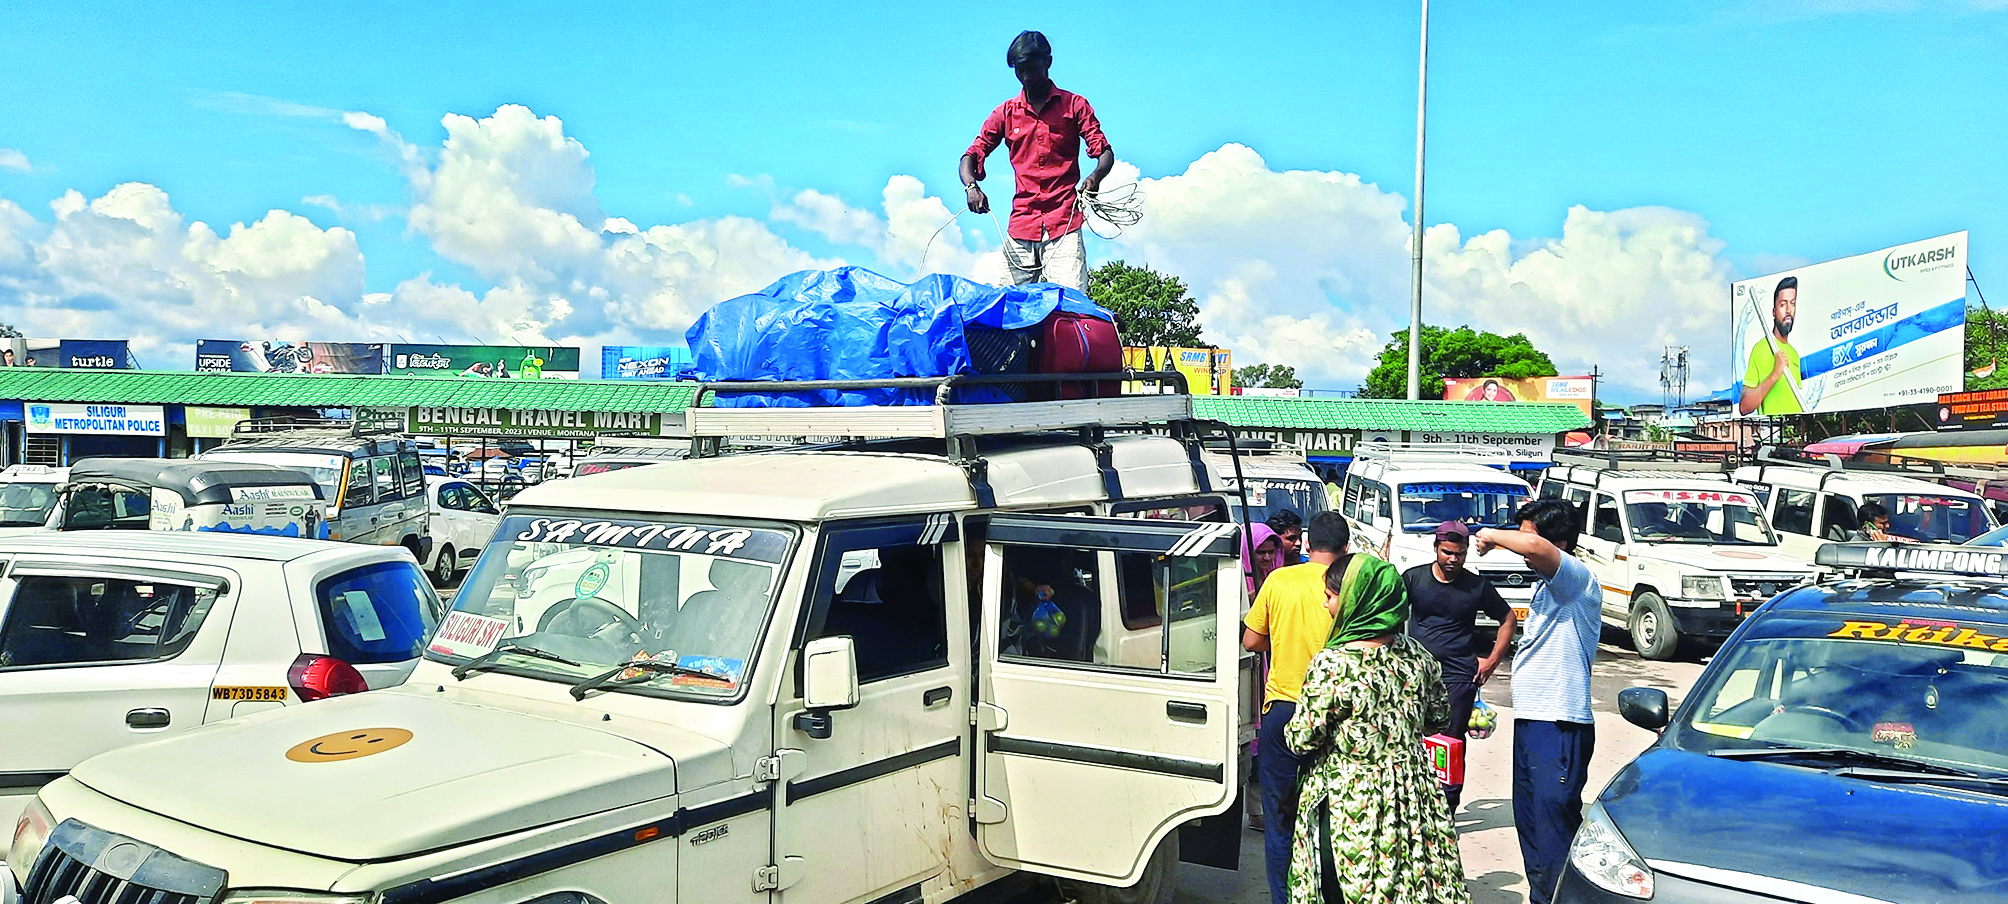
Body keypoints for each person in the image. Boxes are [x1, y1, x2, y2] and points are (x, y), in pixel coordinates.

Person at [1284, 539, 1467, 904]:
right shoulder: (1420, 656)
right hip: (1415, 798)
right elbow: (1438, 719)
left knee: (1350, 888)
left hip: (1350, 802)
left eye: (1331, 596)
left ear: (1357, 600)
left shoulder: (1334, 664)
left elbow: (1302, 739)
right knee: (1412, 886)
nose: (1326, 604)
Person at [1473, 499, 1601, 904]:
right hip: (1534, 720)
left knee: (1553, 828)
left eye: (1527, 535)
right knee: (1530, 823)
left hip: (1559, 722)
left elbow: (1538, 549)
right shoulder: (1547, 588)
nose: (1520, 546)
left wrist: (1492, 536)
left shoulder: (1577, 579)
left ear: (1559, 543)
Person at [1242, 512, 1346, 904]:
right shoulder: (1347, 585)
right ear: (1345, 549)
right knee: (1333, 815)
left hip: (1284, 709)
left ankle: (1284, 898)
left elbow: (1251, 642)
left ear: (1305, 544)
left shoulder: (1279, 581)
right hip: (1335, 710)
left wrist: (1283, 644)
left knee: (1280, 815)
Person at [960, 30, 1114, 291]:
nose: (1027, 77)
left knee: (1070, 308)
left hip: (1064, 224)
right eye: (1020, 71)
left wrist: (1095, 177)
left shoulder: (1075, 106)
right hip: (1021, 225)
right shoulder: (1005, 113)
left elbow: (1104, 152)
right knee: (1008, 311)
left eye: (1033, 69)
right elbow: (971, 155)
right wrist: (971, 187)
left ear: (1048, 63)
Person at [1401, 521, 1517, 814]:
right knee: (1412, 740)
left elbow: (1508, 620)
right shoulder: (1413, 579)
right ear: (1436, 549)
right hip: (1415, 678)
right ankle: (1415, 805)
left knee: (1450, 744)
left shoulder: (1476, 586)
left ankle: (1447, 809)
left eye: (1460, 554)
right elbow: (1390, 616)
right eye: (1448, 552)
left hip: (1457, 679)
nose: (1453, 559)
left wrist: (1492, 660)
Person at [1739, 275, 1803, 415]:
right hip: (1774, 433)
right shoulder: (1760, 349)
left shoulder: (1794, 354)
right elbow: (1744, 407)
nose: (1788, 310)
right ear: (1774, 312)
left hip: (1797, 432)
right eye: (1783, 304)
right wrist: (1775, 373)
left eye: (1792, 303)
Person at [1244, 523, 1284, 596]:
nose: (1267, 558)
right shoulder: (1235, 580)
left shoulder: (1276, 578)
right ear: (1246, 551)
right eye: (1261, 552)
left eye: (1271, 552)